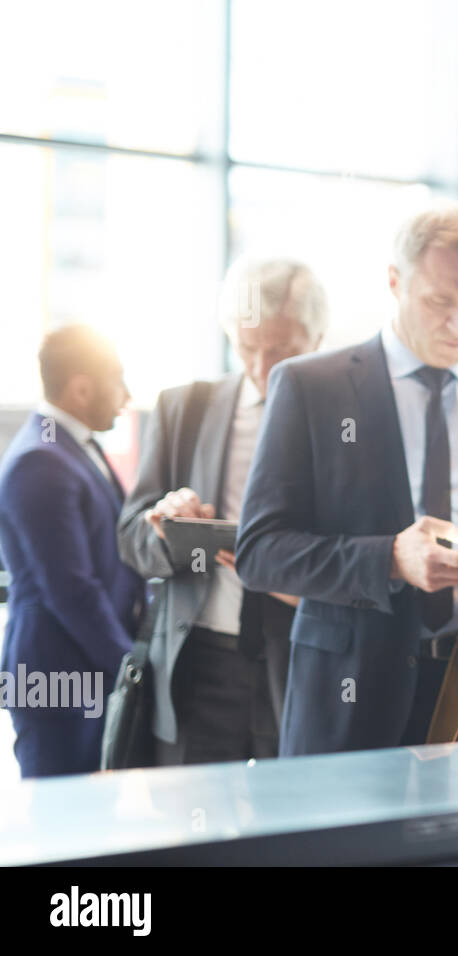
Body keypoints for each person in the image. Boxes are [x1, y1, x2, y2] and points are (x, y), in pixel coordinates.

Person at [236, 199, 458, 756]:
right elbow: (260, 552)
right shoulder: (312, 387)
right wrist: (389, 560)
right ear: (395, 281)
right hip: (346, 703)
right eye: (440, 302)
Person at [117, 257, 328, 765]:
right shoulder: (184, 408)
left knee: (294, 827)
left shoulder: (349, 420)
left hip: (302, 656)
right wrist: (166, 529)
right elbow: (130, 537)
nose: (260, 368)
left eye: (279, 350)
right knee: (195, 831)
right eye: (246, 347)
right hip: (198, 663)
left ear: (316, 339)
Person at [0, 325, 144, 776]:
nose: (127, 395)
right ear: (81, 388)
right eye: (117, 379)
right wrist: (132, 667)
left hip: (79, 665)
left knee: (89, 817)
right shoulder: (40, 460)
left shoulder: (70, 448)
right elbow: (69, 587)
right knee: (59, 821)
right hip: (56, 675)